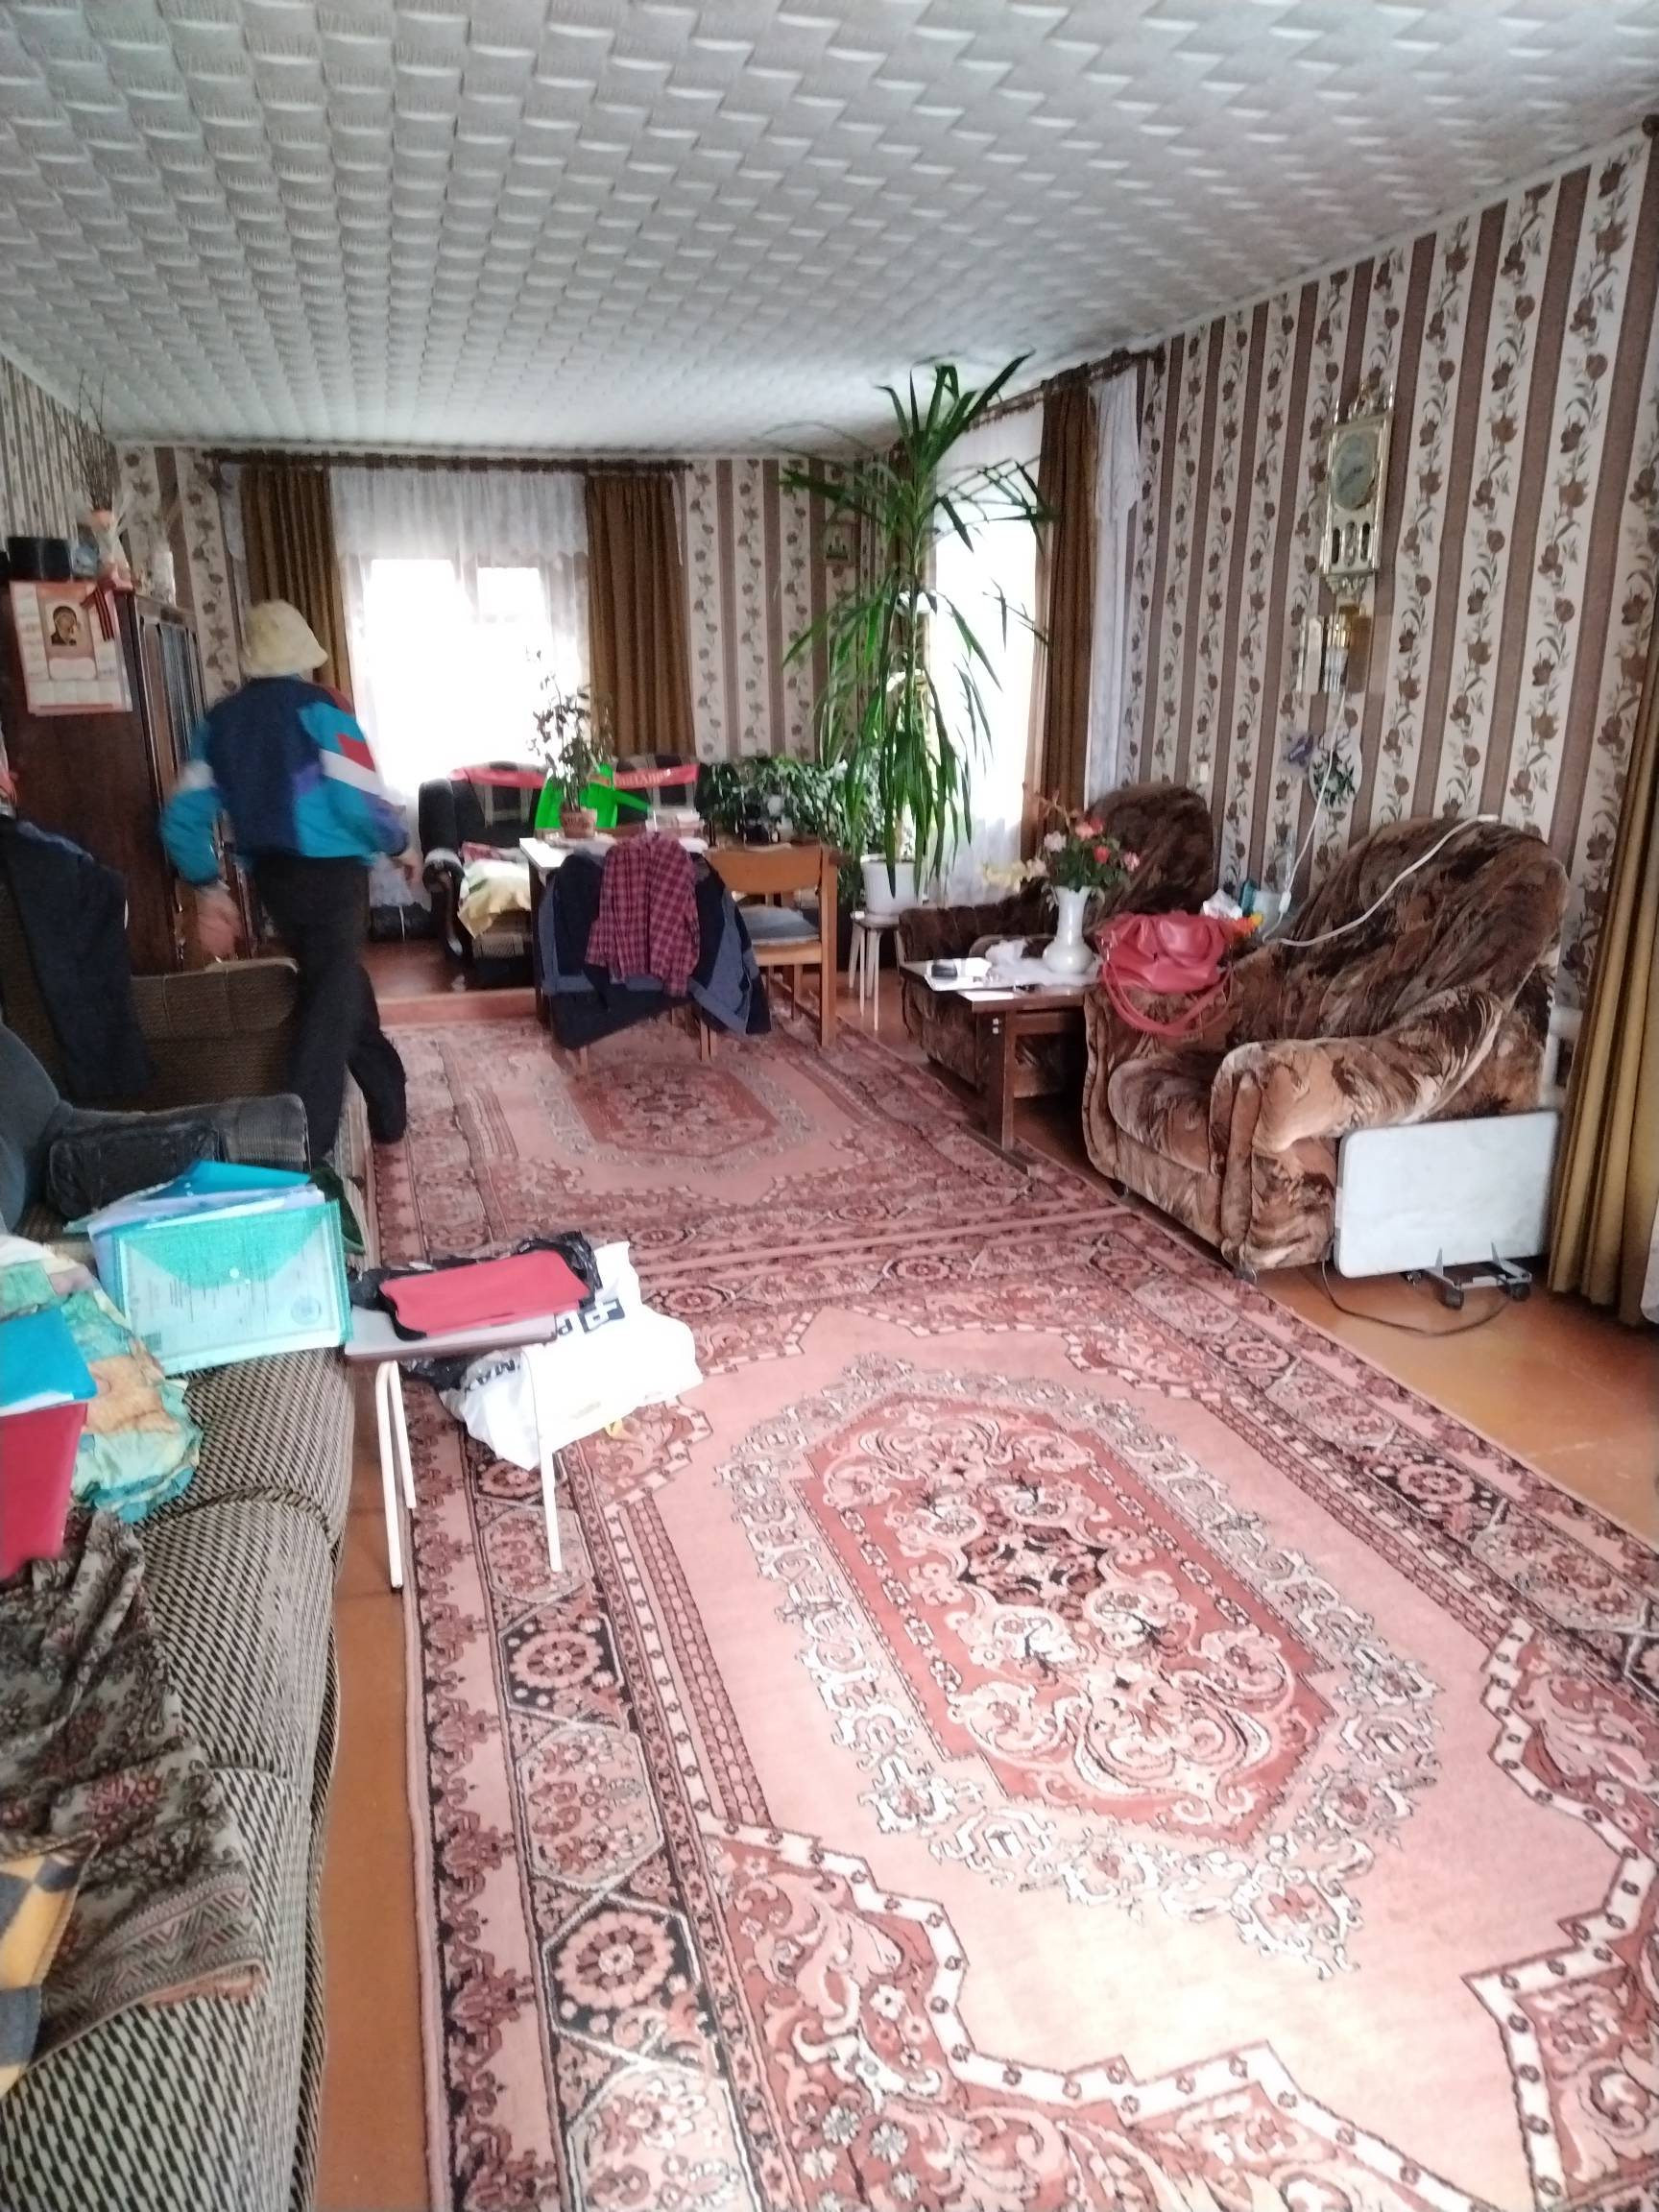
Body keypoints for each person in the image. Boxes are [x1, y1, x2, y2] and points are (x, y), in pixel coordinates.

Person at [159, 599, 410, 1158]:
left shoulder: (219, 722)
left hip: (274, 880)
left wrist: (207, 884)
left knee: (335, 979)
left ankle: (389, 1103)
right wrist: (398, 842)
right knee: (329, 1001)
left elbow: (181, 817)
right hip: (334, 878)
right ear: (303, 656)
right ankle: (305, 1145)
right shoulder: (324, 709)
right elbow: (357, 799)